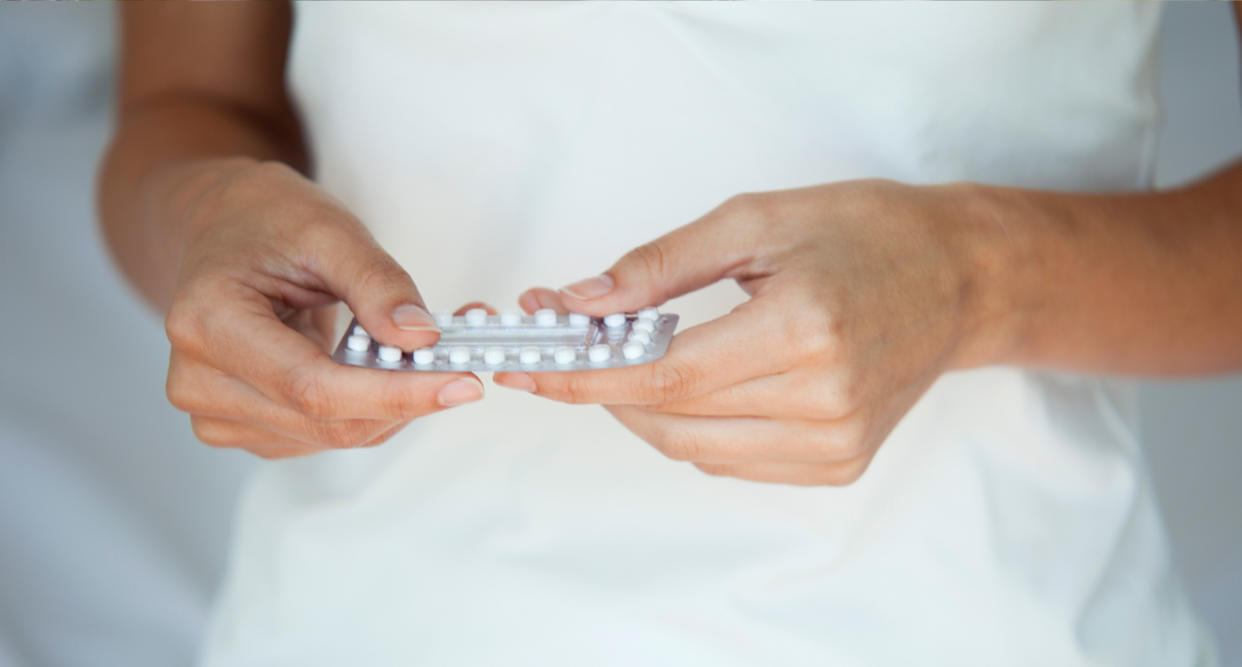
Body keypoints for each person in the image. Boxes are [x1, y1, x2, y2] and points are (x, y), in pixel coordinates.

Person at [99, 2, 1238, 664]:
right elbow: (180, 109)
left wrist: (975, 277)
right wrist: (197, 216)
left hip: (983, 628)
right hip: (363, 626)